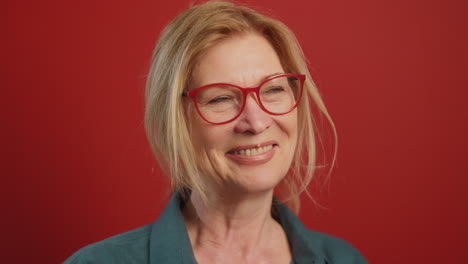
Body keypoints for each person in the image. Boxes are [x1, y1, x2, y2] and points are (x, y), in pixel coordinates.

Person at [64, 1, 367, 263]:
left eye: (273, 90)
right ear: (175, 120)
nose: (256, 122)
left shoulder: (344, 259)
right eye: (221, 98)